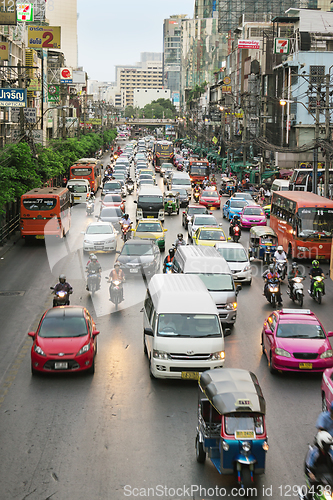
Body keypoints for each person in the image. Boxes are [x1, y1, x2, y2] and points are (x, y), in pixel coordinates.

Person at [303, 431, 333, 500]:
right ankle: (307, 498)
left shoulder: (329, 454)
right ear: (321, 443)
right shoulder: (313, 452)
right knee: (313, 488)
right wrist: (311, 475)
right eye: (327, 445)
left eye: (329, 445)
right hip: (313, 475)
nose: (328, 447)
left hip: (326, 476)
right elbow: (308, 465)